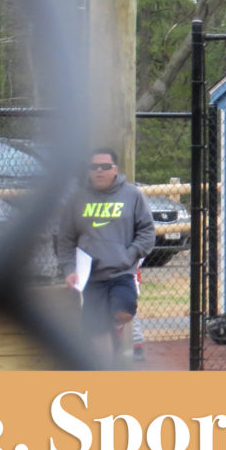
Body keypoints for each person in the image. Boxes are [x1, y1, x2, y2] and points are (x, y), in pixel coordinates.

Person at [56, 149, 155, 361]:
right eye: (94, 167)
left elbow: (147, 232)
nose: (99, 171)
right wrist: (69, 269)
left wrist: (129, 254)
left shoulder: (132, 195)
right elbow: (65, 238)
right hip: (91, 275)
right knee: (97, 334)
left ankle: (115, 330)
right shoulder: (78, 199)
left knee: (124, 312)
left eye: (105, 167)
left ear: (115, 170)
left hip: (121, 271)